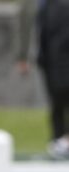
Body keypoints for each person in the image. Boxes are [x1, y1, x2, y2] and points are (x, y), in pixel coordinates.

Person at [17, 0, 69, 159]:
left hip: (56, 63)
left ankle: (61, 141)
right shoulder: (45, 7)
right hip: (53, 63)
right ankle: (58, 141)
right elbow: (40, 35)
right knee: (57, 104)